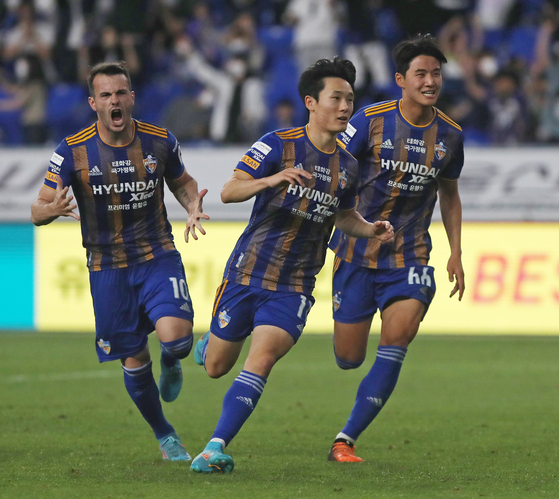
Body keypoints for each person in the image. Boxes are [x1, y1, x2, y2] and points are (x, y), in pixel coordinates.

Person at [188, 56, 394, 474]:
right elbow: (229, 191)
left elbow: (343, 216)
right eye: (335, 98)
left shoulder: (349, 166)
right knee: (215, 367)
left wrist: (370, 230)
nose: (344, 107)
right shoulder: (277, 144)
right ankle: (209, 343)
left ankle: (213, 448)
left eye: (349, 100)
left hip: (294, 285)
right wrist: (271, 180)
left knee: (261, 359)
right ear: (311, 103)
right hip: (246, 273)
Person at [30, 61, 209, 461]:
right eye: (106, 94)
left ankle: (173, 358)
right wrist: (51, 210)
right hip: (106, 267)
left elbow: (183, 184)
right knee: (133, 358)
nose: (115, 100)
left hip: (157, 253)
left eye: (121, 93)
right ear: (94, 102)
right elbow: (37, 210)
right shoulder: (71, 150)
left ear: (132, 97)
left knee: (178, 342)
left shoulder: (159, 140)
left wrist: (192, 206)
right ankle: (166, 436)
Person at [327, 34, 466, 462]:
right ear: (401, 79)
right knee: (348, 358)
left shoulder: (450, 135)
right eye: (421, 73)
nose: (430, 81)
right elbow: (332, 165)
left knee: (397, 338)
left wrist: (455, 251)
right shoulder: (370, 120)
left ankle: (345, 440)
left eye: (436, 73)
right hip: (355, 253)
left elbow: (450, 194)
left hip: (410, 255)